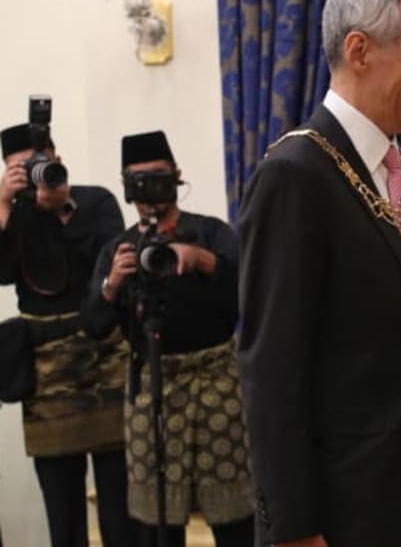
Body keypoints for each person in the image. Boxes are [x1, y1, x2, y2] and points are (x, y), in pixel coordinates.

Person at [238, 0, 401, 547]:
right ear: (359, 50)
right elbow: (272, 369)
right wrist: (293, 529)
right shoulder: (295, 174)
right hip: (332, 514)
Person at [84, 131, 254, 547]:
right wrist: (111, 286)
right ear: (125, 185)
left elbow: (249, 298)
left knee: (234, 510)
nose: (149, 190)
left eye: (158, 177)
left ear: (177, 176)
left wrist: (203, 260)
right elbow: (93, 325)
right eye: (138, 181)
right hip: (151, 384)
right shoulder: (118, 249)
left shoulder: (211, 233)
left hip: (216, 381)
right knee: (154, 517)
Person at [0, 122, 133, 547]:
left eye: (39, 162)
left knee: (119, 507)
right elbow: (3, 274)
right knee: (63, 509)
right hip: (47, 373)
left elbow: (110, 259)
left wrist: (61, 211)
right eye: (19, 168)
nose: (34, 173)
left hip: (106, 359)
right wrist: (5, 206)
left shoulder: (94, 201)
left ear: (55, 158)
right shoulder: (12, 213)